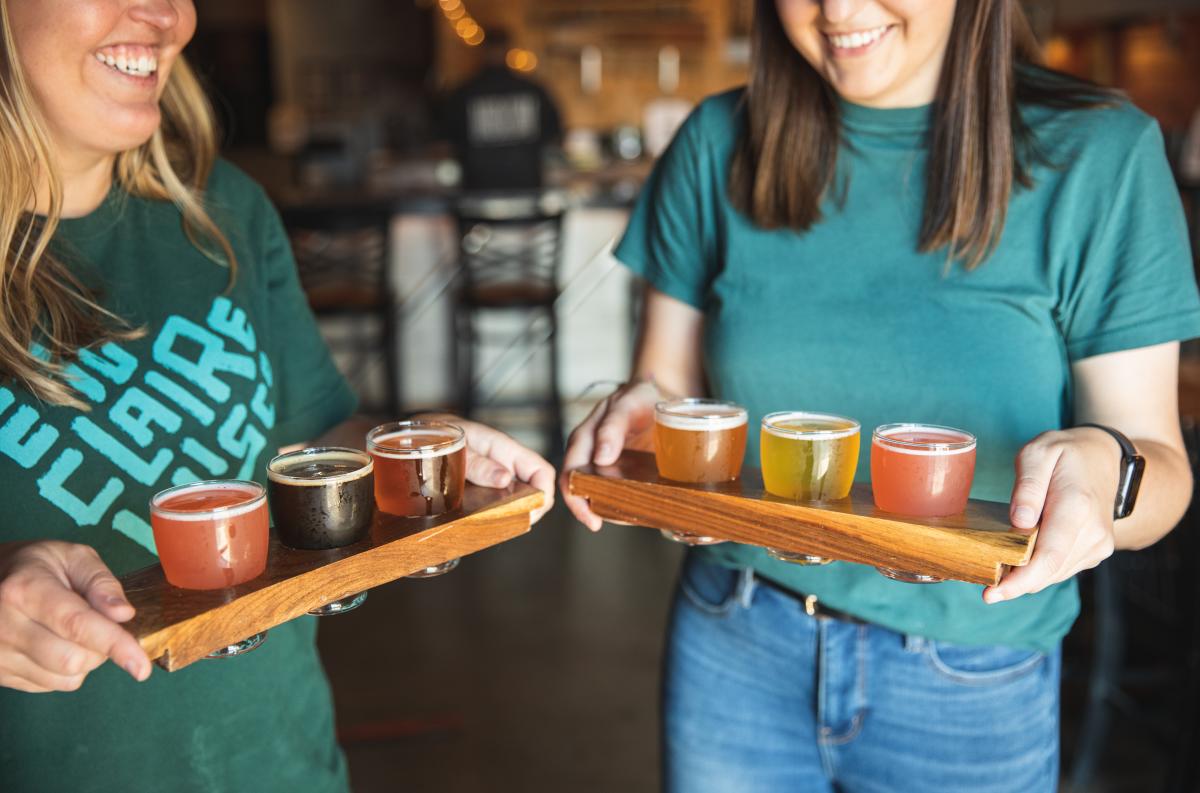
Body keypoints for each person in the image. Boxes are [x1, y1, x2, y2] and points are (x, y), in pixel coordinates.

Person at [561, 0, 1200, 790]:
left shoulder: (1099, 154)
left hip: (970, 668)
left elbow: (1162, 470)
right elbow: (666, 385)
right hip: (736, 632)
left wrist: (1106, 464)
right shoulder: (717, 140)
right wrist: (639, 410)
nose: (838, 11)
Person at [0, 2, 554, 791]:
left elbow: (311, 437)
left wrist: (406, 442)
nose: (164, 16)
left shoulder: (222, 209)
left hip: (281, 759)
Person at [441, 28, 563, 192]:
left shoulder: (464, 93)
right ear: (508, 49)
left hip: (479, 191)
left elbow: (446, 141)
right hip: (526, 188)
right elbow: (555, 134)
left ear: (483, 51)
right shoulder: (533, 90)